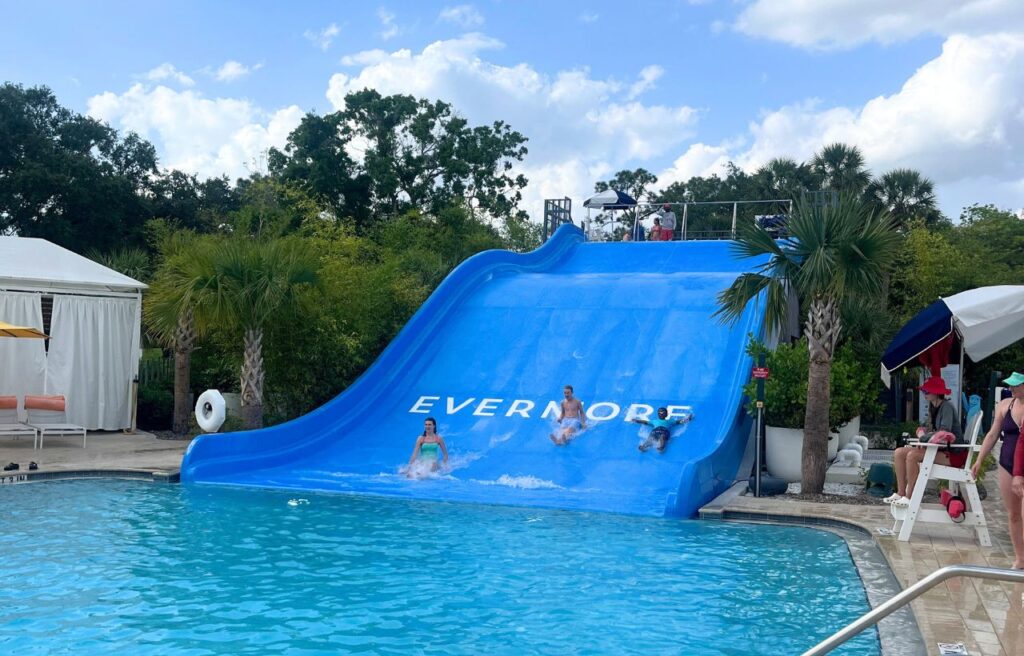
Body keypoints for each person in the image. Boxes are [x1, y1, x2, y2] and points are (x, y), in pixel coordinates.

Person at [972, 372, 1024, 569]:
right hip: (1007, 463)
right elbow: (993, 434)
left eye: (1016, 386)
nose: (1011, 389)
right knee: (1013, 514)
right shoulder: (1005, 405)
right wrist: (979, 460)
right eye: (1010, 386)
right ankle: (1020, 558)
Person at [886, 376, 964, 505]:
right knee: (899, 452)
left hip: (953, 454)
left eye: (927, 391)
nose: (924, 394)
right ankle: (900, 492)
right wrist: (924, 435)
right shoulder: (933, 407)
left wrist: (923, 437)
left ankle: (910, 496)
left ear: (937, 393)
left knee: (913, 456)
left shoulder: (947, 407)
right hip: (940, 450)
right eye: (924, 391)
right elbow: (931, 432)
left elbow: (944, 432)